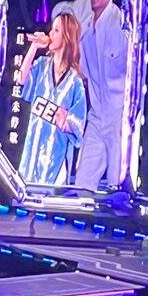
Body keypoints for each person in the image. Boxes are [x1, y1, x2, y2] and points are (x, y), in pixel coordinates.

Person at [52, 0, 129, 191]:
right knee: (83, 182)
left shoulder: (121, 23)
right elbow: (62, 13)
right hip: (96, 113)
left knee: (116, 184)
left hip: (119, 116)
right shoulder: (85, 26)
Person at [17, 13, 87, 186]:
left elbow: (79, 124)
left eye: (56, 30)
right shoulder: (41, 65)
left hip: (56, 158)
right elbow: (21, 79)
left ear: (66, 37)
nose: (51, 34)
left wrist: (66, 121)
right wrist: (34, 46)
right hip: (32, 152)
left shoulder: (75, 81)